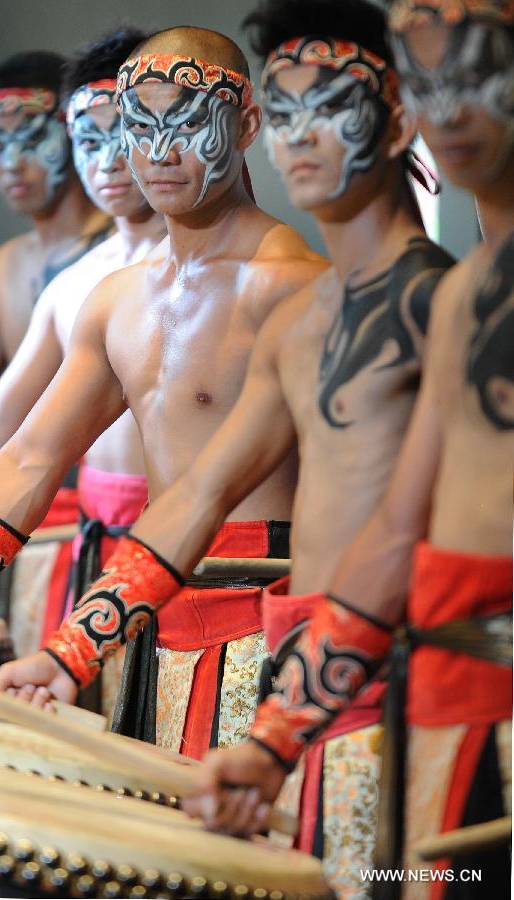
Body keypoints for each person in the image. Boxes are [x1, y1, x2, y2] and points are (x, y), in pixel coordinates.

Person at [14, 2, 454, 893]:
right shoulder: (308, 315)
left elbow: (406, 538)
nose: (303, 137)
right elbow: (199, 494)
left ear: (401, 115)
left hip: (406, 687)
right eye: (287, 110)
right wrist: (69, 652)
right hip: (291, 676)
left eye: (330, 106)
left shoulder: (420, 300)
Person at [184, 1, 513, 896]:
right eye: (432, 73)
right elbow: (399, 532)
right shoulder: (467, 294)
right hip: (425, 707)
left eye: (485, 68)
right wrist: (275, 738)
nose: (454, 107)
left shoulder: (430, 293)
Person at [0, 27, 325, 753]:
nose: (155, 150)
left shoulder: (294, 287)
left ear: (244, 124)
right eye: (137, 126)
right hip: (146, 617)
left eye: (186, 120)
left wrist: (73, 645)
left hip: (266, 628)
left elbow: (224, 497)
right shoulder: (115, 299)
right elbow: (27, 456)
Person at [0, 27, 167, 716]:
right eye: (90, 136)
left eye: (126, 130)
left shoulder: (231, 274)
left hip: (197, 564)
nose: (109, 157)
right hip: (84, 549)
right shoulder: (77, 285)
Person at [0, 51, 112, 456]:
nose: (11, 163)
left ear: (75, 134)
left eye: (31, 140)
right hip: (22, 499)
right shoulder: (3, 269)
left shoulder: (125, 251)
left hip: (116, 501)